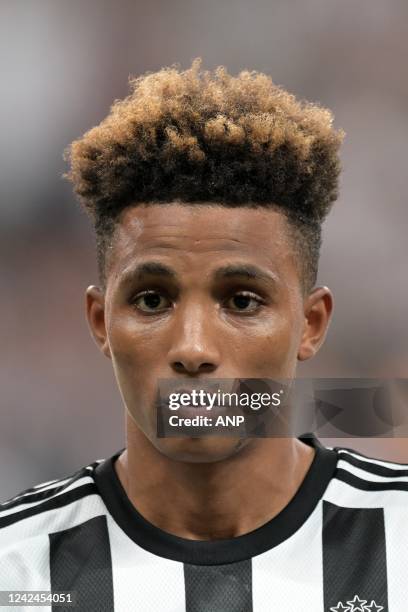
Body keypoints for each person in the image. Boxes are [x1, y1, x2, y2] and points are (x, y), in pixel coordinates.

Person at [0, 59, 406, 612]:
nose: (193, 347)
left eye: (241, 301)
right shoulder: (16, 571)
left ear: (311, 324)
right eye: (151, 300)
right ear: (100, 323)